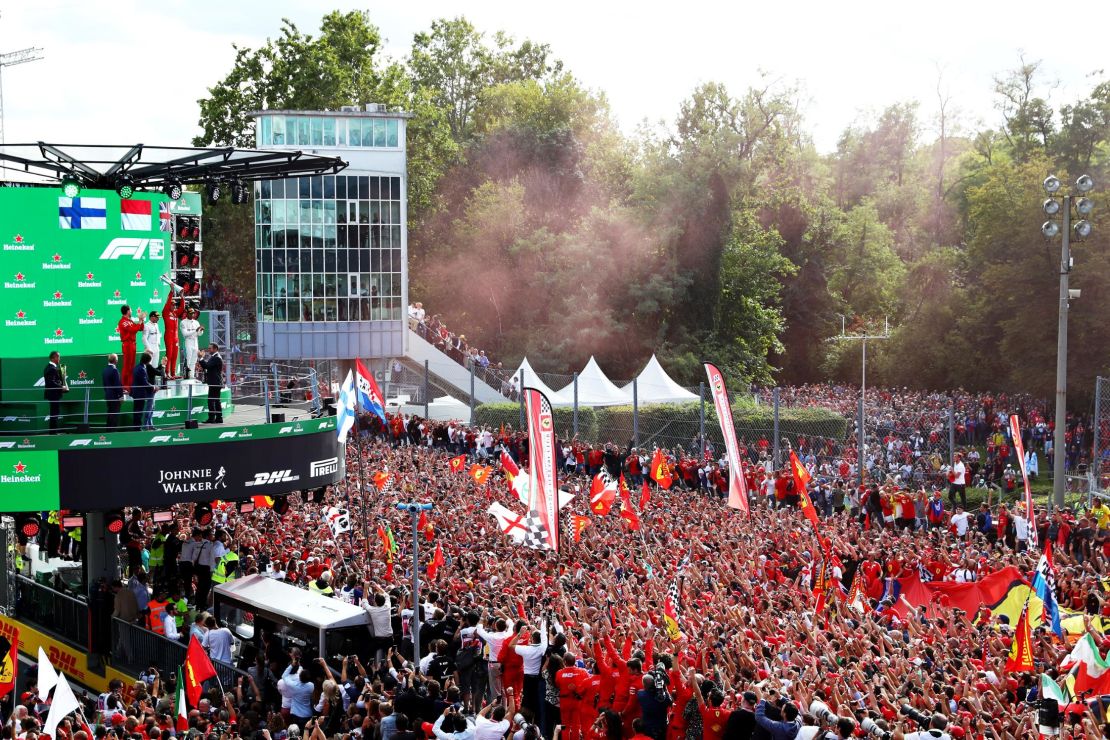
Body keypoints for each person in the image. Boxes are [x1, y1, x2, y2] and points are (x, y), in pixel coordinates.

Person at [117, 305, 145, 394]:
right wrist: (140, 321)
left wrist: (142, 320)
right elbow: (133, 330)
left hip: (132, 344)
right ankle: (124, 386)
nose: (132, 311)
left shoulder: (130, 321)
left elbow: (140, 328)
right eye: (131, 310)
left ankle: (130, 386)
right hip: (127, 344)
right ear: (128, 311)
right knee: (127, 366)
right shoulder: (123, 322)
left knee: (132, 366)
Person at [198, 343, 224, 424]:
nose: (209, 350)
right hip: (215, 382)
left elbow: (207, 366)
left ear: (215, 349)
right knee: (215, 400)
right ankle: (217, 418)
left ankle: (214, 418)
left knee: (212, 400)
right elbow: (208, 366)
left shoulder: (217, 358)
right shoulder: (214, 357)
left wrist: (201, 358)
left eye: (210, 348)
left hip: (215, 382)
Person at [162, 292, 185, 379]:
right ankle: (167, 373)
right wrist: (171, 292)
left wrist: (182, 297)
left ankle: (173, 373)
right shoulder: (165, 312)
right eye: (172, 305)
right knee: (169, 354)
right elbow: (167, 302)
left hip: (175, 337)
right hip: (168, 336)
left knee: (175, 355)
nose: (174, 306)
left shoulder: (175, 313)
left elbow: (182, 308)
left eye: (175, 305)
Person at [43, 351, 66, 433]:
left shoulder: (51, 367)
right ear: (53, 358)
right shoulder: (51, 368)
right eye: (58, 357)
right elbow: (51, 382)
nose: (59, 358)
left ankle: (53, 432)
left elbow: (54, 381)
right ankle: (53, 432)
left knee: (54, 412)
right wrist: (61, 387)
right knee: (54, 413)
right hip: (53, 395)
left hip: (53, 394)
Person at [130, 353, 153, 431]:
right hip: (139, 394)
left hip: (136, 393)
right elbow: (144, 382)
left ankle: (136, 427)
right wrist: (153, 387)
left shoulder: (137, 367)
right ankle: (137, 428)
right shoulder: (141, 369)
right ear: (147, 361)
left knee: (137, 411)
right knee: (138, 411)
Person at [180, 308, 203, 380]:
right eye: (190, 313)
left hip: (195, 341)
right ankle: (186, 375)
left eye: (193, 313)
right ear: (187, 313)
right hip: (188, 341)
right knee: (188, 359)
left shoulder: (196, 322)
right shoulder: (183, 322)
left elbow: (199, 334)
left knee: (194, 359)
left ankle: (192, 375)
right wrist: (195, 331)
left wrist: (201, 331)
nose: (192, 314)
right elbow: (185, 334)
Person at [102, 353, 123, 431]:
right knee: (114, 414)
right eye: (117, 359)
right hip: (114, 397)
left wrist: (108, 392)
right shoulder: (114, 370)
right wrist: (121, 396)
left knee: (110, 413)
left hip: (108, 396)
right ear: (116, 361)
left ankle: (109, 431)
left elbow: (104, 384)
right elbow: (117, 384)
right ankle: (112, 432)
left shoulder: (105, 370)